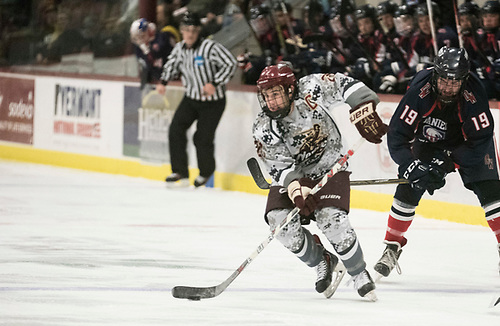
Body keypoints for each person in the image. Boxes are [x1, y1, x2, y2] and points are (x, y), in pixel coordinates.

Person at [252, 62, 388, 300]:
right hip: (294, 175)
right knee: (279, 222)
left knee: (330, 218)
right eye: (266, 96)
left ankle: (358, 273)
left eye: (275, 94)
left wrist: (362, 105)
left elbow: (343, 84)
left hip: (330, 166)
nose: (270, 101)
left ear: (290, 89)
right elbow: (279, 166)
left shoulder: (311, 88)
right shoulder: (264, 126)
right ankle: (321, 260)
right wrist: (296, 189)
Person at [373, 46, 500, 279]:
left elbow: (480, 140)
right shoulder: (419, 91)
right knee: (410, 184)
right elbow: (397, 136)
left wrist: (448, 163)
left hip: (469, 142)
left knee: (492, 193)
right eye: (444, 81)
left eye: (455, 82)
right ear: (435, 75)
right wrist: (410, 166)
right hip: (430, 139)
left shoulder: (474, 94)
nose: (449, 88)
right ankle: (392, 246)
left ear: (464, 79)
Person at [157, 12, 237, 188]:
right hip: (191, 98)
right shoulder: (179, 48)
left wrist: (215, 83)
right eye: (186, 30)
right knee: (175, 129)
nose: (190, 34)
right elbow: (171, 64)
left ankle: (205, 172)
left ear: (198, 31)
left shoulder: (210, 47)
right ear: (182, 31)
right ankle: (180, 172)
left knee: (201, 137)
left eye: (193, 30)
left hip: (213, 102)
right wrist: (163, 82)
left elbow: (230, 63)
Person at [130, 18, 177, 91]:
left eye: (141, 36)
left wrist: (149, 51)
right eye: (137, 37)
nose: (139, 40)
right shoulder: (139, 48)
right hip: (157, 82)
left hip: (172, 82)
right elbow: (145, 64)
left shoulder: (163, 39)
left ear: (149, 31)